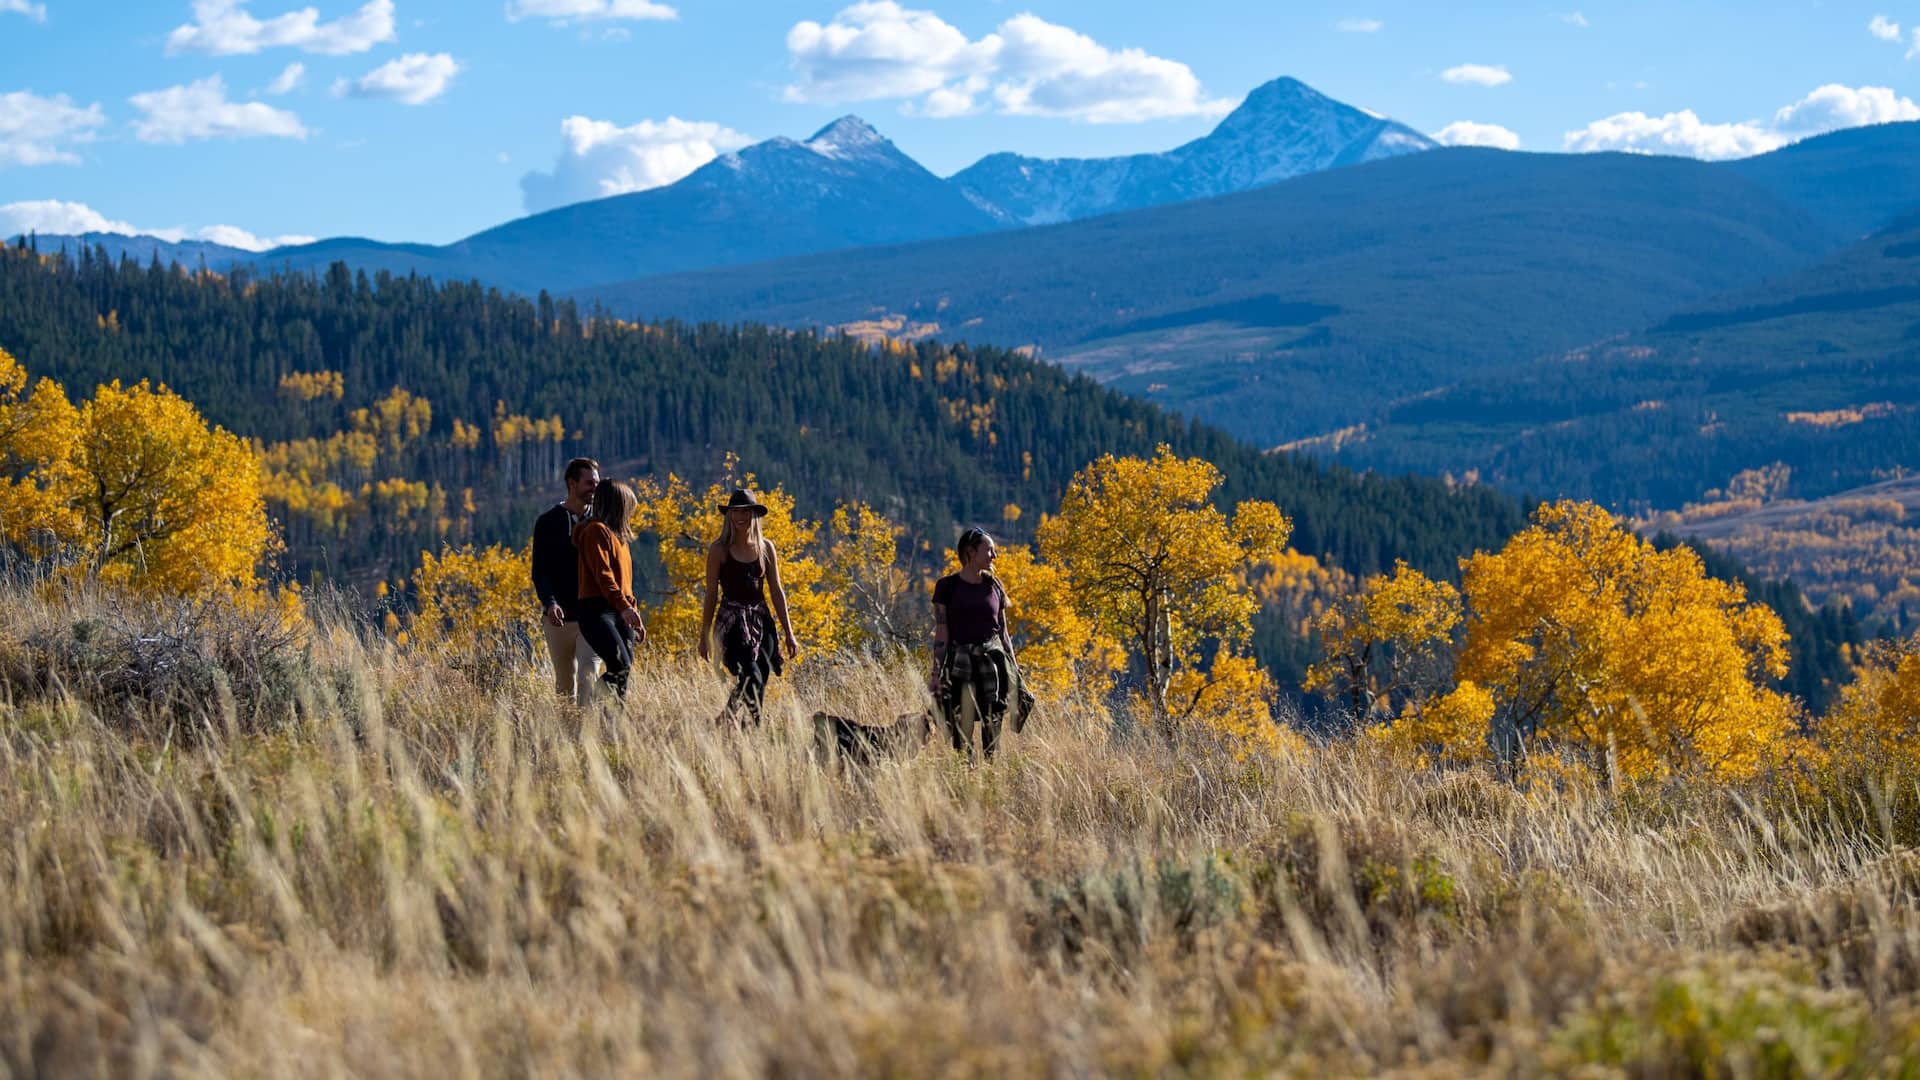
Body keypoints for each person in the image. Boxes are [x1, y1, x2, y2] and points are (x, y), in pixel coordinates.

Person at [697, 489, 800, 725]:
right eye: (735, 511)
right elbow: (711, 594)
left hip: (762, 622)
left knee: (760, 677)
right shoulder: (719, 550)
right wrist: (705, 637)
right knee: (749, 674)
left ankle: (745, 725)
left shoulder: (766, 548)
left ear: (754, 514)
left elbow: (776, 590)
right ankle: (744, 722)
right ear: (729, 515)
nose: (740, 516)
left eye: (746, 511)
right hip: (731, 624)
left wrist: (789, 634)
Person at [928, 527, 1021, 762]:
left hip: (993, 667)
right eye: (989, 550)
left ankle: (990, 777)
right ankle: (964, 780)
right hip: (961, 667)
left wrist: (1015, 668)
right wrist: (936, 671)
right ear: (970, 552)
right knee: (961, 730)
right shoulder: (946, 587)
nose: (994, 556)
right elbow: (942, 631)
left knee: (993, 726)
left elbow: (1003, 632)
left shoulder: (995, 586)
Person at [531, 457, 601, 704]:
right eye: (589, 483)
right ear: (572, 484)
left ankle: (586, 735)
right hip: (558, 621)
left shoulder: (602, 523)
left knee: (588, 676)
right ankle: (567, 737)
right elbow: (540, 571)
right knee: (564, 685)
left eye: (596, 483)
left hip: (593, 617)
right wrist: (550, 603)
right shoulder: (548, 523)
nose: (595, 488)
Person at [573, 479, 648, 697]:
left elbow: (625, 583)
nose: (630, 514)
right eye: (628, 508)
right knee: (620, 665)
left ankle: (614, 725)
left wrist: (634, 613)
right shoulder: (596, 531)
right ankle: (591, 704)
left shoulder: (620, 539)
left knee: (624, 670)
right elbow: (603, 576)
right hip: (596, 610)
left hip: (619, 609)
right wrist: (625, 608)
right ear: (618, 506)